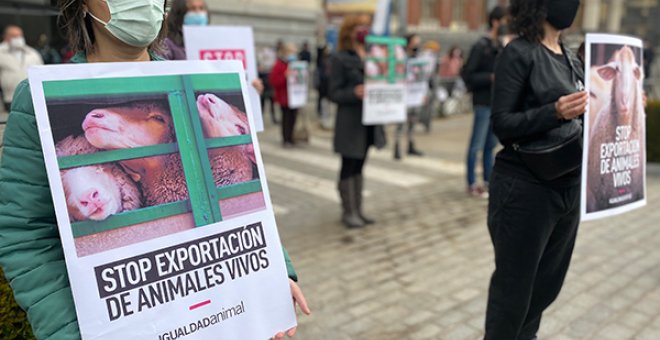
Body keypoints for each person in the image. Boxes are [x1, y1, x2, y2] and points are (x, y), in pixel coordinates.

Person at [0, 1, 309, 339]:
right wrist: (66, 330)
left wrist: (274, 272)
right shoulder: (37, 98)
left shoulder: (190, 80)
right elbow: (27, 234)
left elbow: (248, 203)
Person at [485, 0, 588, 339]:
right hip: (525, 189)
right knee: (512, 298)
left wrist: (627, 100)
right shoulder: (519, 53)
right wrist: (553, 112)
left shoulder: (571, 58)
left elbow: (590, 112)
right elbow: (503, 123)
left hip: (566, 188)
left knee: (544, 291)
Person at [329, 15, 385, 228]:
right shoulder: (340, 58)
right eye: (359, 26)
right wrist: (353, 92)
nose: (364, 30)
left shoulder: (374, 55)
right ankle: (348, 211)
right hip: (350, 121)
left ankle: (358, 208)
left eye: (366, 26)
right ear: (349, 31)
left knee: (360, 164)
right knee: (349, 164)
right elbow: (334, 92)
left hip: (370, 120)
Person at [460, 6, 507, 198]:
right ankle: (471, 183)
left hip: (497, 104)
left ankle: (488, 181)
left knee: (490, 146)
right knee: (476, 145)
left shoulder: (502, 46)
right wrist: (490, 77)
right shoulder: (481, 46)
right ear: (495, 21)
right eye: (504, 21)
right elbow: (468, 74)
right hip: (482, 103)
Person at [393, 33, 424, 160]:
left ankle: (411, 144)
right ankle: (397, 147)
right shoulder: (401, 58)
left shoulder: (418, 58)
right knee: (401, 122)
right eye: (415, 42)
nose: (417, 45)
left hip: (415, 95)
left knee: (413, 121)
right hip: (404, 95)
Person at [0, 25, 43, 112]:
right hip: (8, 98)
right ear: (6, 37)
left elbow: (41, 74)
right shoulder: (1, 53)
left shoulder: (32, 53)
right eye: (14, 36)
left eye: (20, 36)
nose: (18, 39)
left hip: (31, 98)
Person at [269, 43, 299, 147]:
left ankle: (291, 137)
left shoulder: (295, 64)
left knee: (293, 118)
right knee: (286, 118)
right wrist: (285, 76)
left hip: (295, 97)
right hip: (284, 97)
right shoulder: (279, 64)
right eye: (292, 52)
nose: (293, 54)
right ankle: (286, 139)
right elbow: (274, 81)